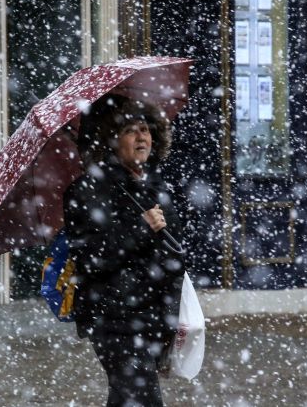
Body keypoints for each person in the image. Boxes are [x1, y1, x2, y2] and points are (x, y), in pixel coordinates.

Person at [64, 95, 185, 407]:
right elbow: (91, 258)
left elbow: (174, 251)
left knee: (126, 399)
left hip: (153, 318)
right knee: (143, 399)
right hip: (114, 319)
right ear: (110, 140)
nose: (142, 136)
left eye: (145, 129)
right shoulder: (87, 190)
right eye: (131, 130)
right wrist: (141, 228)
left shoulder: (155, 186)